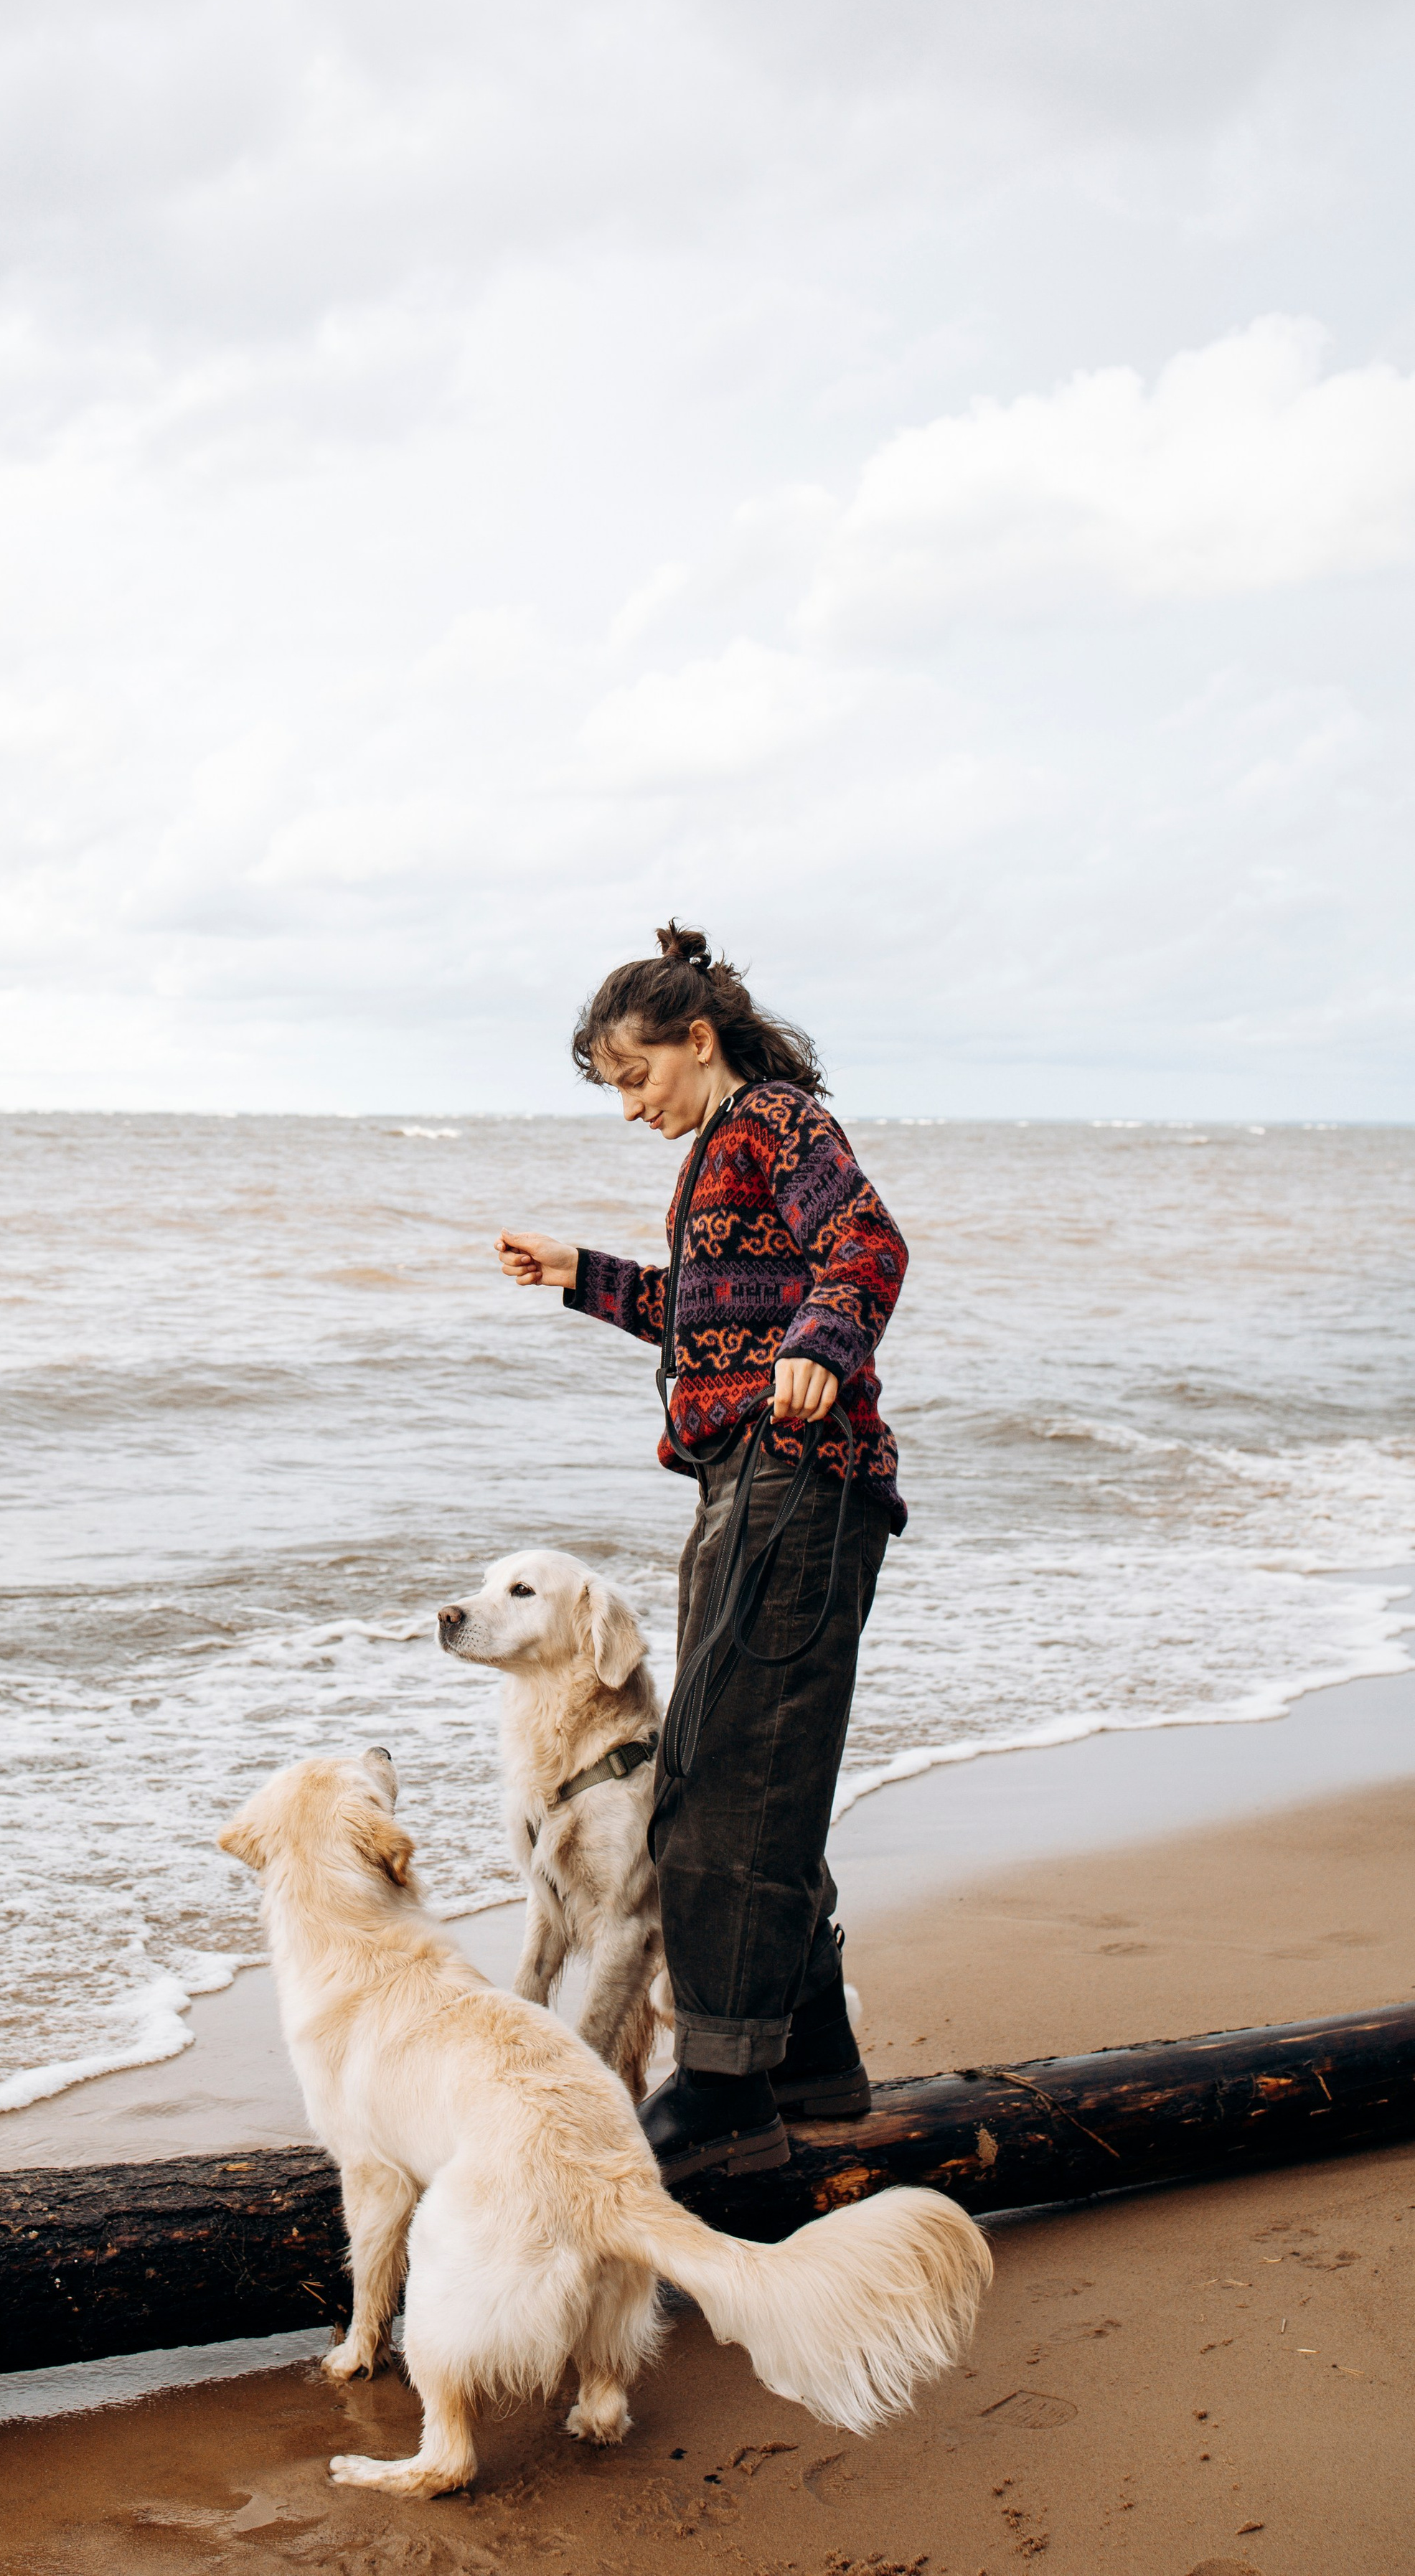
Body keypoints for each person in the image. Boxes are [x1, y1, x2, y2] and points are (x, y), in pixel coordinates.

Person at [495, 922, 908, 2186]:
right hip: (749, 1482)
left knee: (727, 1773)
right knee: (752, 1761)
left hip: (802, 1477)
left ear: (696, 1038)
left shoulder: (779, 1122)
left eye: (636, 1078)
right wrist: (587, 1276)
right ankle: (816, 2058)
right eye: (614, 1089)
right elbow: (713, 1313)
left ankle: (727, 2091)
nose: (631, 1107)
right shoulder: (724, 1146)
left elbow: (869, 1248)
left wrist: (826, 1348)